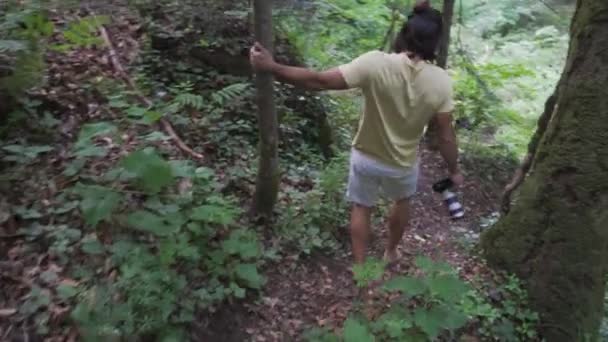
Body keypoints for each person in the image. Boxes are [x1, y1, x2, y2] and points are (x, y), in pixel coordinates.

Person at [249, 3, 463, 265]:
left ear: (405, 32)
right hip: (402, 163)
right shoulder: (441, 81)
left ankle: (361, 272)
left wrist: (273, 67)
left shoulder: (375, 63)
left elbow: (319, 81)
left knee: (362, 207)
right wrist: (453, 170)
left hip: (366, 156)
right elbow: (446, 136)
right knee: (403, 200)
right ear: (436, 42)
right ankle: (391, 251)